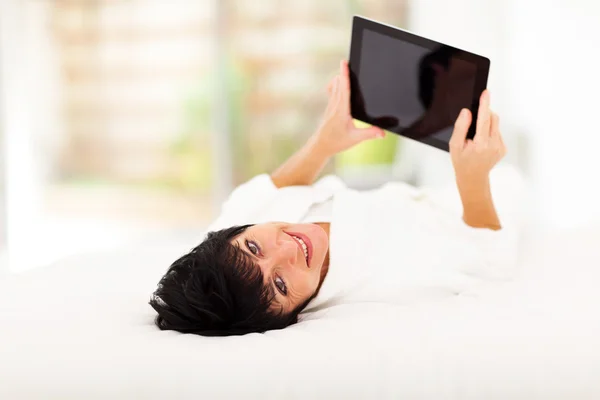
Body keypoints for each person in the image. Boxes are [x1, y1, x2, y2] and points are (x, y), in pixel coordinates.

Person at [149, 60, 514, 337]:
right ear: (291, 316)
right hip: (473, 205)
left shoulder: (223, 250)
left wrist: (325, 142)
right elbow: (488, 259)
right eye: (280, 284)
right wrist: (473, 178)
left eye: (254, 248)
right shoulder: (385, 284)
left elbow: (265, 191)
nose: (287, 249)